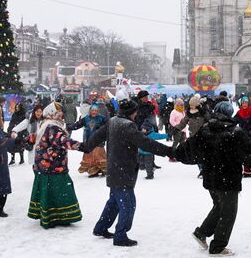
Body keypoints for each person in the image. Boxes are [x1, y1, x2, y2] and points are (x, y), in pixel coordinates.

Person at [176, 100, 251, 256]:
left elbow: (189, 148)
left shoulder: (205, 129)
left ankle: (202, 232)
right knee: (228, 212)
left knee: (219, 206)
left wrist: (176, 153)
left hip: (211, 178)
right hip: (228, 179)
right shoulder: (235, 132)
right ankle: (218, 246)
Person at [80, 99, 174, 247]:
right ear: (131, 112)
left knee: (114, 202)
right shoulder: (128, 126)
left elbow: (98, 135)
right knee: (128, 204)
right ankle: (120, 236)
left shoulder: (113, 121)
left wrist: (86, 147)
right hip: (123, 170)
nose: (137, 114)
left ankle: (101, 228)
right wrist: (168, 151)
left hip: (114, 169)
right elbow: (146, 143)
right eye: (135, 111)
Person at [27, 102, 82, 229]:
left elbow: (35, 138)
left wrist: (28, 139)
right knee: (60, 191)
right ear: (52, 113)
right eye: (58, 112)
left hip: (45, 166)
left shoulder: (45, 124)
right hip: (54, 166)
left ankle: (48, 214)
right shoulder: (53, 127)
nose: (61, 114)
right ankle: (61, 216)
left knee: (48, 191)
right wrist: (81, 146)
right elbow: (62, 140)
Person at [67, 104, 108, 177]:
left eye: (96, 110)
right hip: (89, 139)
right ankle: (93, 170)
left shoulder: (102, 118)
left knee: (99, 155)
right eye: (93, 110)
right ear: (90, 111)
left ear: (98, 111)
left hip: (99, 141)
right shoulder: (86, 118)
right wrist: (69, 127)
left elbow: (108, 126)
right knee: (90, 155)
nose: (94, 112)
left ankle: (102, 169)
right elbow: (78, 125)